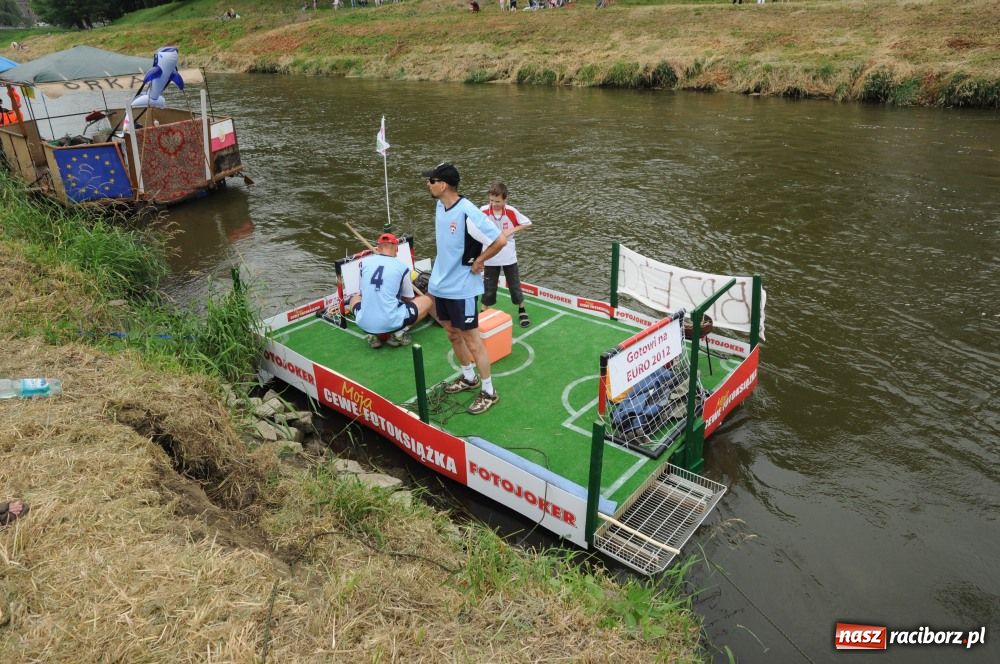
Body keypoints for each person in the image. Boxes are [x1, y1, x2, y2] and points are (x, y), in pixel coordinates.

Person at [422, 162, 507, 415]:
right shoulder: (440, 205)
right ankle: (469, 377)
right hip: (441, 285)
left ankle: (489, 391)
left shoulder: (468, 212)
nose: (427, 184)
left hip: (462, 288)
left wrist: (480, 261)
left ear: (443, 185)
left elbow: (500, 240)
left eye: (431, 181)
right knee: (451, 333)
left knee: (472, 339)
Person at [343, 232, 434, 348]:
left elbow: (362, 294)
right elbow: (408, 298)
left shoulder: (363, 264)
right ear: (396, 249)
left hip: (364, 323)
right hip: (390, 321)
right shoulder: (402, 267)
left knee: (355, 298)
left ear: (378, 248)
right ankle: (398, 333)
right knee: (426, 300)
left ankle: (372, 335)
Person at [479, 180, 532, 327]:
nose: (494, 204)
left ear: (505, 199)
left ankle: (522, 309)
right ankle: (483, 311)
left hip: (508, 256)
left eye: (497, 201)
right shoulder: (483, 211)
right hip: (490, 257)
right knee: (489, 287)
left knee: (514, 286)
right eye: (491, 200)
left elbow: (527, 222)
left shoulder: (511, 211)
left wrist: (511, 230)